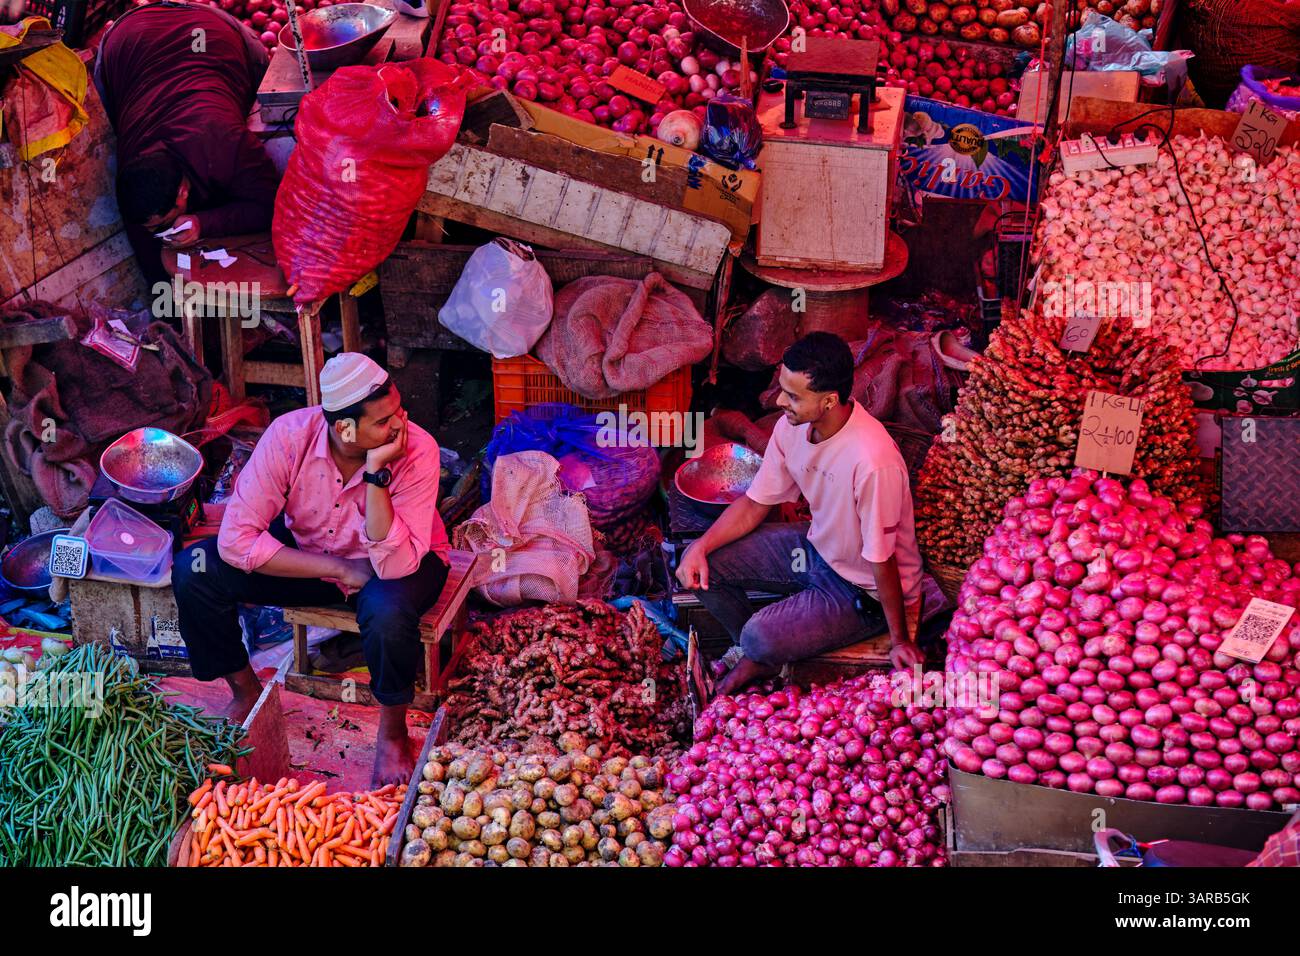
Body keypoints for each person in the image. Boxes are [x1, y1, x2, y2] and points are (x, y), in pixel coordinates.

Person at [173, 353, 451, 785]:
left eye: (399, 411)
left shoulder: (417, 449)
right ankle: (247, 692)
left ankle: (393, 732)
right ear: (344, 429)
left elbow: (396, 564)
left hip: (402, 562)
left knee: (387, 611)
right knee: (195, 568)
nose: (399, 426)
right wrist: (337, 569)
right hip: (320, 558)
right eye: (383, 421)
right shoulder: (289, 436)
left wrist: (377, 474)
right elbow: (235, 540)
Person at [676, 332, 925, 695]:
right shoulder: (790, 428)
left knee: (759, 635)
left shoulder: (872, 461)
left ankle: (759, 648)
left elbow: (881, 560)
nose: (779, 401)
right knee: (701, 564)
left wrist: (901, 639)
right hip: (815, 550)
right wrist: (700, 545)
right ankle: (759, 653)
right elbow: (755, 503)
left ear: (828, 401)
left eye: (792, 396)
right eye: (782, 389)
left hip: (863, 587)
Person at [94, 0, 279, 283]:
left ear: (183, 192)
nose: (163, 230)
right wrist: (167, 311)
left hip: (212, 29)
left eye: (165, 223)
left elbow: (271, 204)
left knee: (266, 90)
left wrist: (204, 223)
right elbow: (143, 241)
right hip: (128, 36)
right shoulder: (131, 158)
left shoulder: (225, 140)